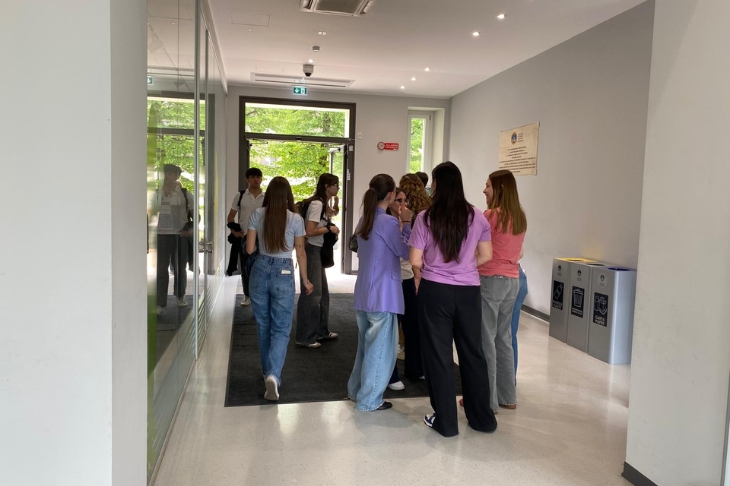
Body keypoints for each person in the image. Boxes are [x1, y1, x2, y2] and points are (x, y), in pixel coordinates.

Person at [408, 161, 496, 437]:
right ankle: (482, 419)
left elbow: (415, 259)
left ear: (436, 184)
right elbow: (487, 255)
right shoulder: (477, 216)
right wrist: (464, 268)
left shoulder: (426, 217)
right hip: (469, 292)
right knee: (473, 353)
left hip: (435, 291)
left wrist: (432, 271)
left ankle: (446, 422)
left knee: (439, 355)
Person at [246, 177, 314, 401]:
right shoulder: (295, 218)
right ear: (288, 195)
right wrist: (305, 280)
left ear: (268, 194)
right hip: (284, 272)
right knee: (281, 328)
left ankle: (267, 372)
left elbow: (250, 249)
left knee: (263, 325)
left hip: (260, 269)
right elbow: (300, 252)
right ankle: (273, 375)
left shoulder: (257, 214)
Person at [347, 174, 411, 411]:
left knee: (365, 346)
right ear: (391, 195)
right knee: (380, 349)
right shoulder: (388, 222)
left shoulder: (366, 218)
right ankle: (369, 399)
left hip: (364, 291)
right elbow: (406, 251)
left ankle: (356, 391)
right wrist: (407, 224)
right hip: (383, 293)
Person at [478, 169, 527, 412]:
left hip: (491, 280)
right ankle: (508, 396)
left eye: (488, 186)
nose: (484, 190)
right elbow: (520, 252)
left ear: (499, 189)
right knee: (504, 338)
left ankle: (487, 401)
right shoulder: (519, 217)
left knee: (486, 340)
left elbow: (477, 247)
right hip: (512, 281)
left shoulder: (491, 215)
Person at [295, 173, 341, 348]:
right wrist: (329, 229)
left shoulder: (322, 203)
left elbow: (329, 215)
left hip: (317, 251)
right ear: (326, 186)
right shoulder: (317, 204)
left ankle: (321, 331)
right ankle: (305, 337)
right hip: (312, 250)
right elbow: (309, 231)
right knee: (312, 295)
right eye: (335, 184)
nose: (337, 187)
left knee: (322, 293)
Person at [398, 174, 431, 380]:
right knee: (413, 322)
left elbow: (411, 252)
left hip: (411, 272)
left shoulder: (412, 216)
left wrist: (417, 276)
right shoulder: (426, 210)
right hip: (418, 271)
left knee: (409, 322)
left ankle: (410, 361)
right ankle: (415, 366)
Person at [155, 164, 195, 314]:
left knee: (180, 267)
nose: (167, 176)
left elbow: (196, 215)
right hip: (161, 235)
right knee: (161, 269)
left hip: (179, 235)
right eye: (165, 173)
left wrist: (189, 231)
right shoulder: (155, 194)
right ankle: (160, 302)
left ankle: (180, 296)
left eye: (171, 174)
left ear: (177, 176)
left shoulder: (185, 194)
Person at [227, 168, 264, 307]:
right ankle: (247, 295)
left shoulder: (266, 197)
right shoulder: (240, 195)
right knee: (245, 267)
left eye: (258, 177)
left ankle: (259, 294)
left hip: (262, 237)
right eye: (253, 177)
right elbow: (231, 216)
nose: (256, 180)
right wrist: (234, 231)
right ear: (247, 180)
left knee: (261, 266)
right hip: (245, 237)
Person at [511, 265, 528, 381]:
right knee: (509, 336)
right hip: (518, 276)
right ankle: (510, 382)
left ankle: (500, 384)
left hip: (503, 279)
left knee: (500, 336)